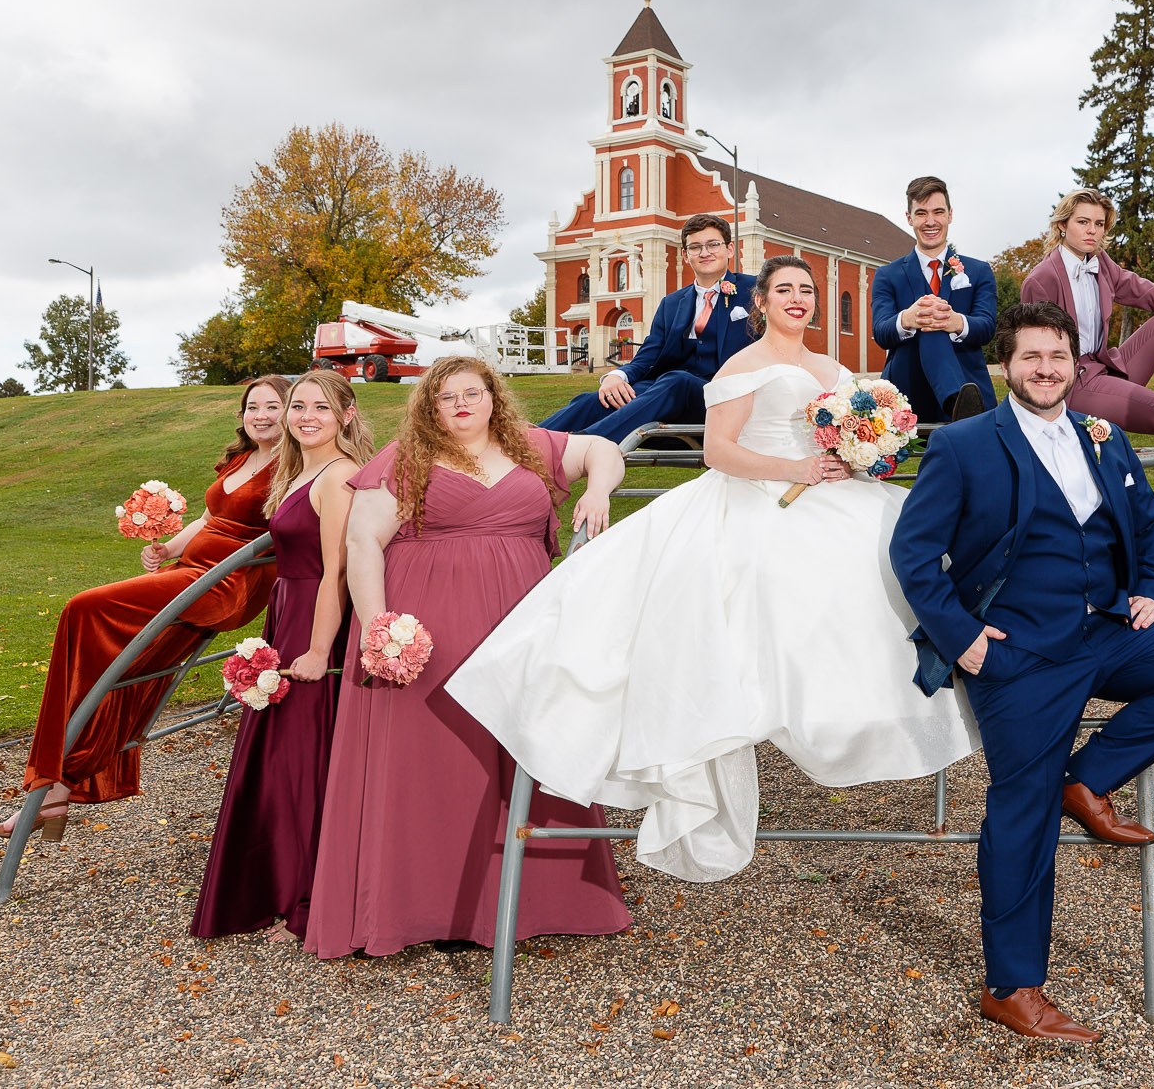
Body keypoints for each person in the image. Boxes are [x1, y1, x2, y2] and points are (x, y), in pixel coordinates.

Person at [448, 256, 977, 884]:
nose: (799, 299)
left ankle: (877, 715)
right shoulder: (743, 365)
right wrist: (798, 471)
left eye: (807, 290)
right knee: (764, 597)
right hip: (756, 495)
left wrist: (858, 460)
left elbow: (845, 439)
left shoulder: (834, 369)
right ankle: (766, 711)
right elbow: (718, 451)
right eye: (785, 290)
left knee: (894, 568)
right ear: (762, 301)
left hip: (832, 492)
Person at [889, 301, 1154, 1044]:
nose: (1045, 369)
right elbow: (915, 554)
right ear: (1006, 365)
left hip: (1108, 628)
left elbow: (1148, 522)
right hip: (1016, 652)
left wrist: (1153, 588)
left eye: (1057, 356)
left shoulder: (1100, 435)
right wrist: (965, 642)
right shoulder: (962, 443)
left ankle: (1087, 779)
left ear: (1074, 363)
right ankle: (1012, 985)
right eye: (1030, 357)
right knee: (1022, 813)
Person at [304, 358, 630, 957]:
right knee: (437, 764)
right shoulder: (406, 459)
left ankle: (540, 901)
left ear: (491, 398)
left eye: (471, 393)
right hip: (430, 630)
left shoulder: (530, 446)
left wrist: (600, 492)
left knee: (521, 750)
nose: (460, 404)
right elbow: (362, 543)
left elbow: (604, 450)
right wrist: (380, 625)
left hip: (520, 625)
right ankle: (435, 908)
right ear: (429, 406)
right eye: (446, 396)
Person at [0, 378, 288, 840]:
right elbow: (211, 520)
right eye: (252, 406)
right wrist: (168, 548)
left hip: (222, 583)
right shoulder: (243, 459)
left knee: (83, 608)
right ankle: (57, 785)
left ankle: (56, 777)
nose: (260, 415)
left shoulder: (293, 467)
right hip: (190, 570)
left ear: (293, 411)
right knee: (110, 661)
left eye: (273, 406)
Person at [192, 370, 375, 942]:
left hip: (315, 622)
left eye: (321, 406)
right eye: (299, 405)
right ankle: (277, 885)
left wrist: (320, 649)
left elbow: (336, 574)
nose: (306, 416)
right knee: (281, 761)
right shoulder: (300, 470)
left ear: (346, 415)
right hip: (286, 612)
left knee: (306, 761)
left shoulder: (340, 474)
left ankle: (312, 898)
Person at [539, 214, 758, 444]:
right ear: (685, 255)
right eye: (695, 247)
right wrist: (616, 376)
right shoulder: (672, 303)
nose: (704, 252)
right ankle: (524, 440)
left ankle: (583, 444)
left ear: (730, 249)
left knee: (677, 381)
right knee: (596, 399)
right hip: (664, 396)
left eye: (713, 244)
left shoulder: (755, 291)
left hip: (721, 399)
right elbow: (648, 357)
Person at [1017, 188, 1154, 443]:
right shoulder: (1041, 280)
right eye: (1083, 222)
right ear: (1062, 224)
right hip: (1075, 381)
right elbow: (1037, 357)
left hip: (1108, 367)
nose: (1092, 231)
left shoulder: (1101, 264)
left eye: (1099, 224)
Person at [869, 175, 998, 422]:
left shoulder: (979, 271)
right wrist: (908, 318)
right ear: (909, 218)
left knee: (934, 321)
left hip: (967, 379)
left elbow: (987, 327)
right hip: (908, 388)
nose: (930, 221)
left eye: (938, 212)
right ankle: (955, 401)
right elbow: (882, 332)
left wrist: (955, 322)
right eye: (921, 213)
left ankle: (957, 398)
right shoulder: (887, 275)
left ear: (950, 215)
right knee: (927, 319)